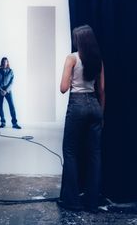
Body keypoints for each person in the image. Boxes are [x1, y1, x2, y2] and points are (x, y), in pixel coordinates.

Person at [58, 25, 105, 212]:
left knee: (70, 152)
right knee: (94, 154)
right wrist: (102, 115)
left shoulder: (72, 58)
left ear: (79, 40)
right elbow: (101, 90)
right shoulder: (98, 60)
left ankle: (72, 201)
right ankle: (92, 201)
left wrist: (70, 78)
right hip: (95, 106)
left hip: (77, 106)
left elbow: (63, 88)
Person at [0, 57, 21, 129]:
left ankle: (14, 123)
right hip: (0, 91)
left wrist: (6, 90)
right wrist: (1, 90)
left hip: (8, 91)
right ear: (1, 63)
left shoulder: (11, 71)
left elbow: (11, 82)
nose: (4, 63)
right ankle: (3, 122)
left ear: (7, 63)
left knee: (11, 106)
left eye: (5, 62)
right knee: (0, 107)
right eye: (3, 62)